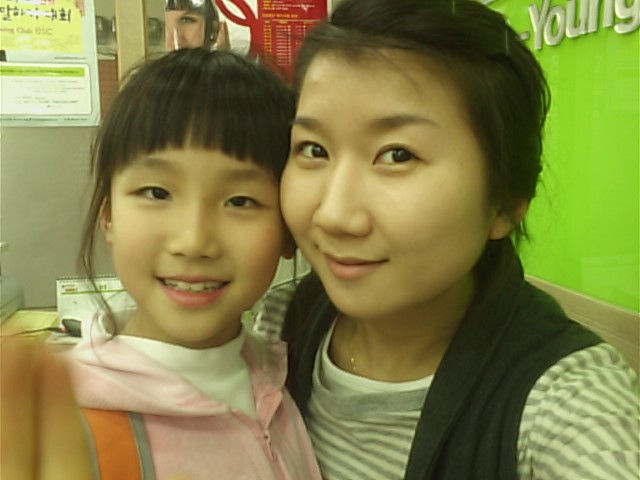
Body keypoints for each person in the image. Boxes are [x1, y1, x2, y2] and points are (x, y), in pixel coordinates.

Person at [272, 0, 640, 479]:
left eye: (397, 155)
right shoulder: (283, 322)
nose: (334, 215)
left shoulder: (561, 403)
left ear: (505, 202)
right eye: (314, 149)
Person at [2, 48, 321, 480]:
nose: (193, 241)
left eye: (240, 201)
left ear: (287, 228)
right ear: (109, 214)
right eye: (157, 193)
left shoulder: (286, 375)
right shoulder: (62, 427)